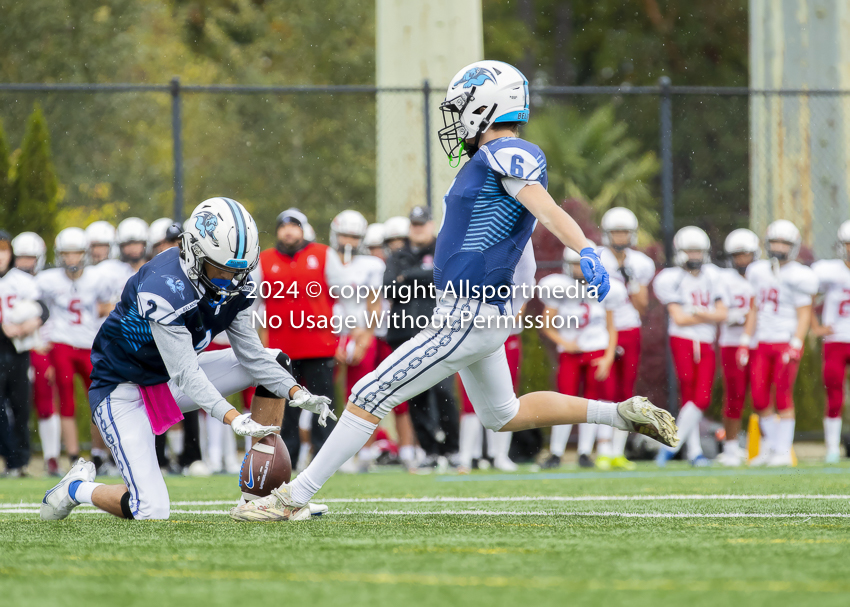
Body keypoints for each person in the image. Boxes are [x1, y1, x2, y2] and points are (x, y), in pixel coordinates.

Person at [231, 60, 676, 522]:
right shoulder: (488, 162)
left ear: (488, 105)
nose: (456, 116)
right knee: (502, 414)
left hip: (469, 311)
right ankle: (622, 414)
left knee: (369, 391)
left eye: (462, 106)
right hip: (478, 309)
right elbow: (517, 247)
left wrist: (585, 247)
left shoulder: (507, 151)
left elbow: (545, 209)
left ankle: (293, 497)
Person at [40, 198, 335, 521]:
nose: (229, 280)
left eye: (237, 271)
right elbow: (186, 373)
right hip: (122, 391)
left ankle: (259, 499)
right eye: (220, 269)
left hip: (166, 381)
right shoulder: (164, 286)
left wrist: (297, 393)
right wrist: (233, 416)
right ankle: (75, 489)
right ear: (194, 251)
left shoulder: (234, 284)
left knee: (275, 360)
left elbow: (251, 356)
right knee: (150, 510)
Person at [255, 208, 344, 465]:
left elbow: (344, 300)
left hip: (321, 346)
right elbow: (254, 305)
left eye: (294, 225)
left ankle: (326, 459)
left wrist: (345, 337)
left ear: (304, 230)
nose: (288, 230)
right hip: (282, 351)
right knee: (284, 411)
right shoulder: (264, 259)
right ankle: (285, 461)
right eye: (283, 226)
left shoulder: (324, 255)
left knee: (324, 406)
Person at [383, 205, 460, 468]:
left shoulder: (444, 248)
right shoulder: (398, 253)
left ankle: (451, 449)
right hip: (404, 331)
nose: (418, 229)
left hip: (439, 330)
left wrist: (410, 277)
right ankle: (428, 451)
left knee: (443, 390)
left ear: (431, 224)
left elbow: (446, 280)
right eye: (414, 224)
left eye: (422, 224)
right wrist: (420, 278)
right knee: (415, 394)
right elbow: (389, 287)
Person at [539, 245, 626, 470]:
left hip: (596, 350)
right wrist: (565, 342)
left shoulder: (605, 288)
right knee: (564, 401)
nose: (579, 270)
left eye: (582, 264)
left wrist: (608, 357)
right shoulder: (559, 288)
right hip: (570, 353)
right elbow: (546, 325)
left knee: (592, 403)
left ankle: (585, 451)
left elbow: (611, 327)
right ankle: (556, 451)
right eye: (575, 264)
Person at [653, 226, 727, 467]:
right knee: (690, 397)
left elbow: (722, 313)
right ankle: (693, 452)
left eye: (698, 251)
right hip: (682, 340)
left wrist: (696, 312)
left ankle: (670, 445)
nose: (694, 256)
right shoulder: (671, 278)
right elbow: (680, 318)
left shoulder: (713, 276)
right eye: (690, 251)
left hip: (705, 341)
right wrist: (707, 314)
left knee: (701, 398)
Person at [746, 220, 817, 467]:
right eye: (775, 241)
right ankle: (773, 447)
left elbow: (805, 313)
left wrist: (797, 342)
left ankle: (783, 450)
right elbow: (754, 307)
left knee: (783, 395)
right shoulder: (758, 271)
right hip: (762, 342)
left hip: (785, 342)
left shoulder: (799, 275)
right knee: (759, 398)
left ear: (794, 246)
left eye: (784, 242)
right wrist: (746, 339)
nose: (779, 246)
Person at [36, 228, 109, 466]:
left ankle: (99, 454)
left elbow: (109, 306)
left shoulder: (98, 277)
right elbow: (39, 308)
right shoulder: (47, 280)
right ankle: (74, 455)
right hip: (62, 342)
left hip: (90, 343)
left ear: (84, 254)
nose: (71, 259)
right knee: (66, 395)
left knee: (100, 398)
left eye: (76, 253)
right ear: (59, 255)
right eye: (66, 254)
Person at [597, 207, 656, 470]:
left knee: (625, 391)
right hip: (600, 329)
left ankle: (618, 451)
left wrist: (630, 281)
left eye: (624, 232)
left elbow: (642, 305)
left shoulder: (640, 263)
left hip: (629, 328)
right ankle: (602, 449)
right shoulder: (596, 258)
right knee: (603, 390)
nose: (620, 237)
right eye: (616, 232)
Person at [0, 230, 49, 476]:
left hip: (18, 349)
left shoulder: (22, 281)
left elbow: (42, 309)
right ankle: (10, 458)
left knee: (20, 405)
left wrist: (26, 325)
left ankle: (19, 461)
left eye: (3, 250)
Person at [12, 231, 61, 476]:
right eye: (21, 257)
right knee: (14, 404)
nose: (25, 263)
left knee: (45, 401)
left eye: (30, 257)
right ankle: (16, 457)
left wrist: (44, 341)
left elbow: (52, 315)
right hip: (14, 347)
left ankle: (51, 456)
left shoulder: (47, 281)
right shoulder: (8, 281)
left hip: (40, 347)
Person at [716, 229, 759, 467]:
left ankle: (768, 446)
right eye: (738, 255)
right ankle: (731, 447)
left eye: (746, 254)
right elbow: (722, 312)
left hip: (759, 343)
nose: (742, 260)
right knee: (735, 394)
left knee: (763, 395)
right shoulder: (723, 279)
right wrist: (738, 316)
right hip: (732, 343)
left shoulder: (763, 276)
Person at [812, 220, 850, 464]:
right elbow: (807, 296)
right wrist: (815, 326)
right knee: (834, 394)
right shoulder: (829, 271)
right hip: (835, 339)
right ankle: (832, 448)